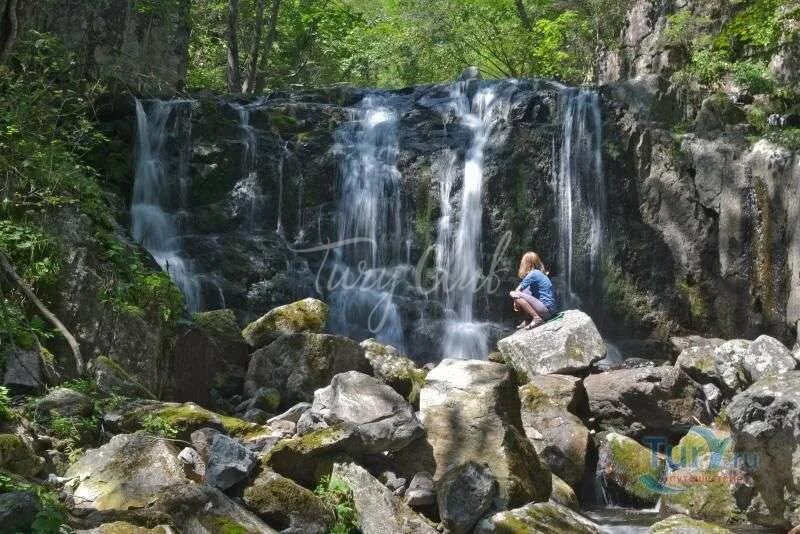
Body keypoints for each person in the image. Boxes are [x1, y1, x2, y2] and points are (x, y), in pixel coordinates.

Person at [510, 251, 557, 330]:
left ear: (526, 263)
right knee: (526, 291)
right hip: (550, 310)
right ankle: (527, 320)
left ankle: (536, 318)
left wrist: (515, 301)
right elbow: (523, 290)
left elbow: (517, 291)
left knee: (514, 294)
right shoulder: (539, 273)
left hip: (546, 310)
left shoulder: (533, 274)